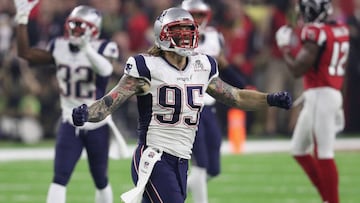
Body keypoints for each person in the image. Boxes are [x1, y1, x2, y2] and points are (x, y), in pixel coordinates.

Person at [72, 7, 292, 203]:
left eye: (189, 31)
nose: (186, 37)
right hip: (154, 157)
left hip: (181, 160)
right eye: (179, 31)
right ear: (163, 35)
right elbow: (109, 103)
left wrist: (270, 99)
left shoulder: (202, 65)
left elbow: (236, 96)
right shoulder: (146, 67)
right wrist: (86, 113)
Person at [13, 0, 121, 202]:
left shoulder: (105, 47)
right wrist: (22, 20)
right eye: (72, 25)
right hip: (68, 121)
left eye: (80, 26)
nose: (74, 30)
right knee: (59, 177)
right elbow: (25, 54)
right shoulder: (59, 46)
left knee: (100, 178)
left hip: (96, 123)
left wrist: (86, 49)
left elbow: (106, 71)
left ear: (93, 30)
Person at [275, 0, 349, 203]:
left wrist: (284, 48)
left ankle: (332, 200)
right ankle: (327, 197)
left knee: (324, 153)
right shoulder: (340, 28)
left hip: (321, 95)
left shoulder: (315, 32)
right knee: (298, 149)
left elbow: (297, 69)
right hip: (324, 93)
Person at [181, 0, 247, 202]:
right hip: (188, 105)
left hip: (209, 107)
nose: (197, 19)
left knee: (213, 168)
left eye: (200, 15)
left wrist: (241, 85)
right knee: (200, 163)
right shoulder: (176, 37)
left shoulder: (214, 37)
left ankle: (172, 191)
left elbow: (222, 65)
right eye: (193, 14)